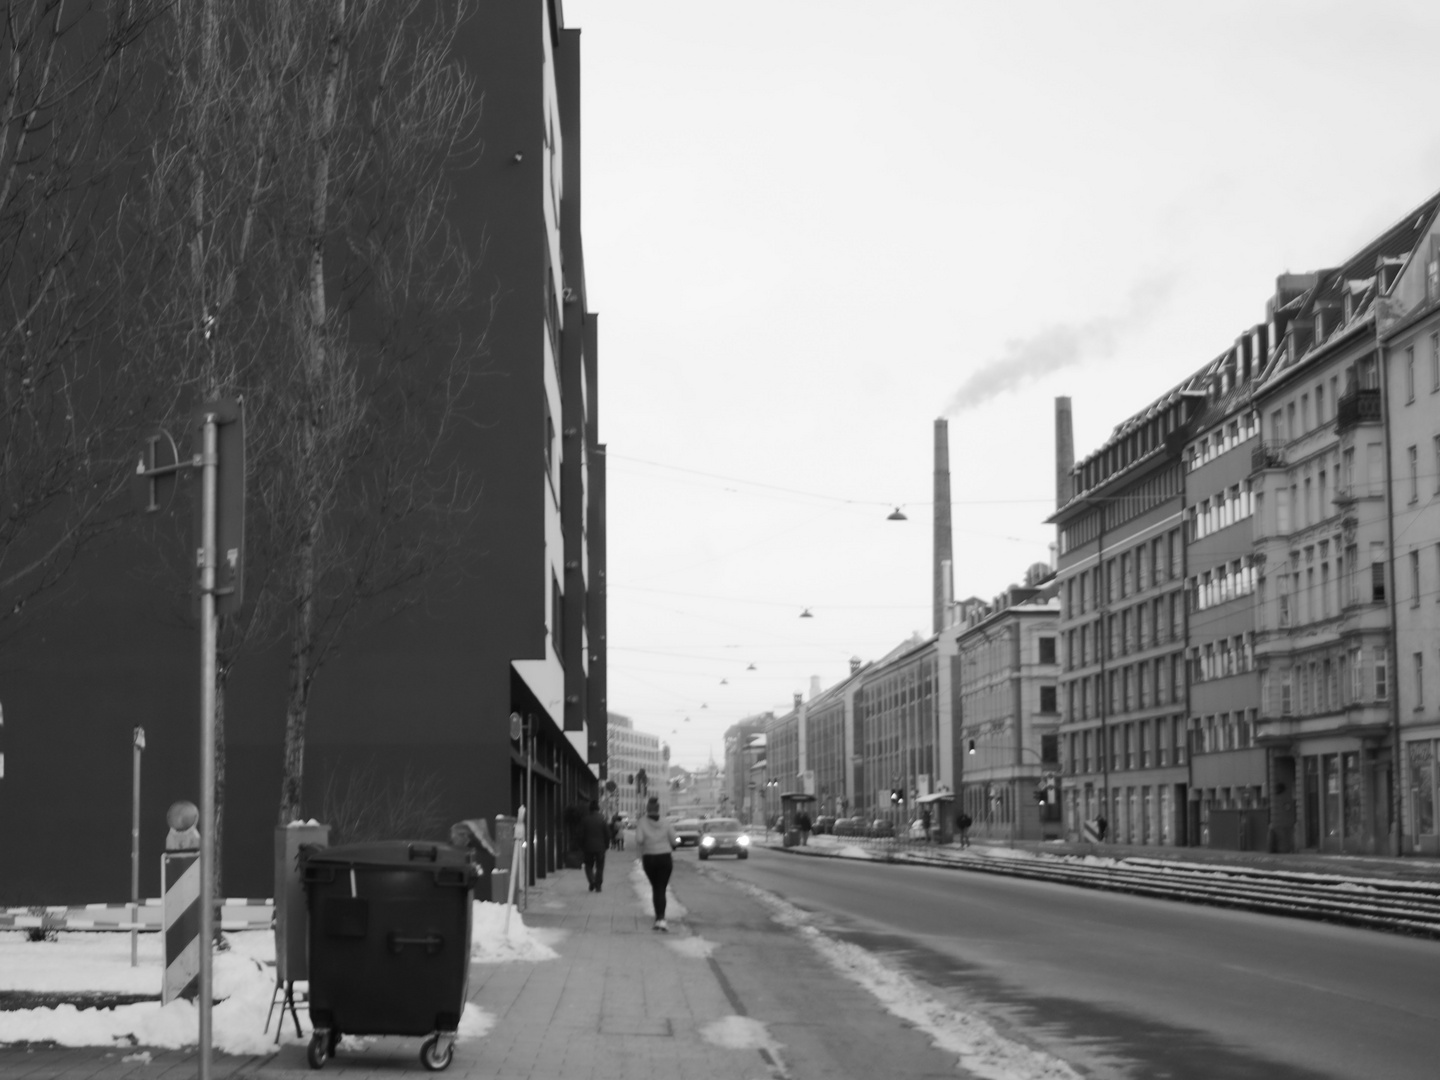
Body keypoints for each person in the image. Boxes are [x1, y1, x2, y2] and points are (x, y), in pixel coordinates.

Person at [635, 795, 679, 931]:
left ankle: (659, 918)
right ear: (658, 809)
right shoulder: (666, 822)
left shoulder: (642, 822)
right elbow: (674, 839)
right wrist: (674, 844)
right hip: (665, 858)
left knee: (656, 888)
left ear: (648, 809)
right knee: (661, 888)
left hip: (650, 858)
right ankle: (661, 919)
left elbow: (639, 839)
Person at [580, 799, 611, 893]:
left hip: (588, 847)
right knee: (600, 867)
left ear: (590, 809)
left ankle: (592, 881)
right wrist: (606, 845)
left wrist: (582, 846)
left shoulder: (585, 820)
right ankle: (598, 886)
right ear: (598, 809)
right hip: (600, 848)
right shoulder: (602, 819)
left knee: (588, 866)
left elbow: (580, 834)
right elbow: (607, 834)